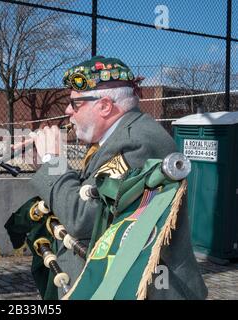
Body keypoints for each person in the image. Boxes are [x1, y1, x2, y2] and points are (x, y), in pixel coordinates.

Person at [28, 55, 207, 299]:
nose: (68, 110)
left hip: (142, 289)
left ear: (104, 106)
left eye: (75, 103)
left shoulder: (137, 143)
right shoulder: (117, 137)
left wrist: (53, 161)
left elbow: (82, 218)